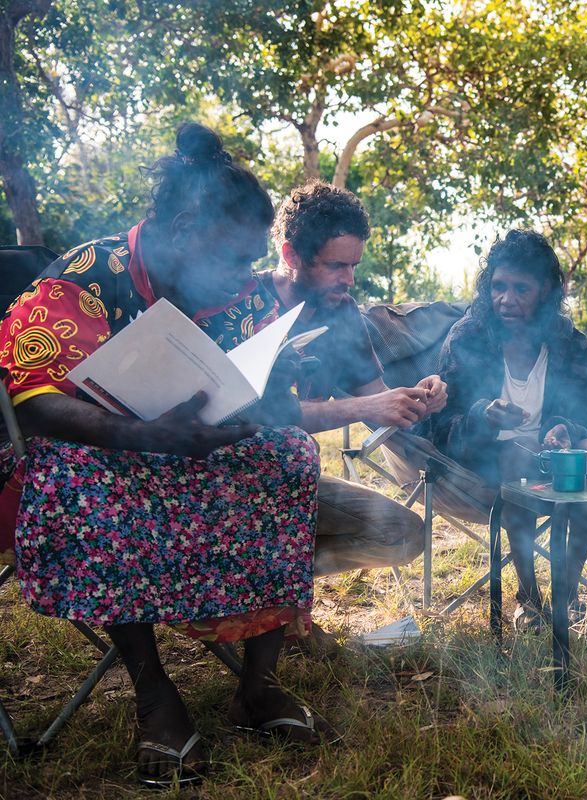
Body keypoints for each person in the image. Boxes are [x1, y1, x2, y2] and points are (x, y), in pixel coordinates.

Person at [0, 123, 329, 786]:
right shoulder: (91, 276)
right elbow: (33, 401)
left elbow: (264, 394)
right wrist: (145, 435)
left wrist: (259, 396)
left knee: (290, 454)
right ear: (182, 228)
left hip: (190, 459)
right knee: (81, 467)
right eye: (233, 258)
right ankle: (155, 695)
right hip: (93, 463)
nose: (243, 275)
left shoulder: (236, 295)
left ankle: (256, 688)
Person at [258, 180, 446, 580]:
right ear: (291, 254)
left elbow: (378, 405)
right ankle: (265, 597)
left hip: (296, 480)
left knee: (404, 534)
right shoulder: (244, 304)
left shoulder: (343, 314)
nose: (348, 280)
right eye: (335, 266)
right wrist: (365, 407)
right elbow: (257, 414)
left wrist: (416, 400)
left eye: (353, 266)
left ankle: (278, 585)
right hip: (237, 478)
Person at [430, 229, 587, 629]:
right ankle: (528, 597)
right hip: (484, 461)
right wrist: (482, 415)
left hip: (552, 459)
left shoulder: (570, 345)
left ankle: (566, 591)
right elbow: (441, 423)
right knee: (515, 456)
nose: (506, 300)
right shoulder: (469, 338)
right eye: (498, 286)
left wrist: (564, 428)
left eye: (520, 289)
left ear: (547, 291)